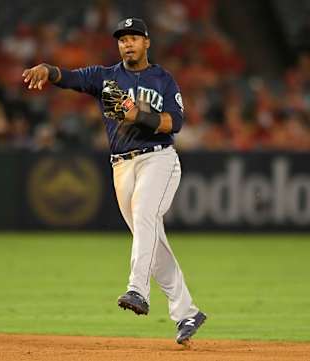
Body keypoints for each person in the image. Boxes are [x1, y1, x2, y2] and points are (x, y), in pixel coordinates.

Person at [22, 17, 206, 345]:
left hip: (158, 159)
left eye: (134, 37)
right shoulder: (105, 78)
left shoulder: (162, 78)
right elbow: (69, 78)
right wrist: (46, 70)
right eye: (122, 39)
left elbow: (174, 123)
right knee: (150, 239)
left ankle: (137, 290)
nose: (127, 43)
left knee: (145, 215)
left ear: (146, 42)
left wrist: (138, 116)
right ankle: (187, 313)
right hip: (121, 166)